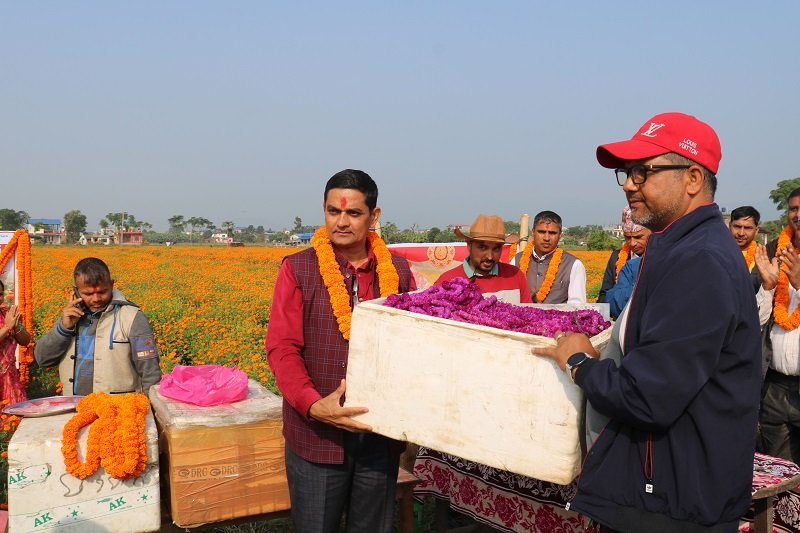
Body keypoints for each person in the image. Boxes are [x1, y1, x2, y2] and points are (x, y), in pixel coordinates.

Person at [534, 112, 761, 531]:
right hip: (665, 487)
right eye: (627, 173)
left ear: (692, 178)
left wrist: (580, 363)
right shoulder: (676, 247)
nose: (630, 185)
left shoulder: (700, 261)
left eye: (644, 171)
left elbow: (646, 396)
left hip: (673, 502)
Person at [265, 169, 416, 533]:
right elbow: (282, 347)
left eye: (353, 213)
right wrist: (313, 405)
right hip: (316, 435)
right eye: (334, 211)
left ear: (374, 216)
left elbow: (410, 344)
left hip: (378, 433)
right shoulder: (298, 268)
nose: (342, 222)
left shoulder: (397, 270)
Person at [34, 257, 162, 395]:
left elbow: (150, 372)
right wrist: (64, 329)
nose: (96, 299)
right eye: (88, 294)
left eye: (102, 292)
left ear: (112, 285)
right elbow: (43, 360)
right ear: (76, 290)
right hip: (75, 405)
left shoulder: (131, 317)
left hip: (119, 406)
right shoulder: (70, 317)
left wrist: (152, 405)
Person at [754, 188, 800, 462]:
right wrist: (768, 287)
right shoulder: (775, 251)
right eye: (794, 209)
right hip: (774, 386)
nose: (798, 215)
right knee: (777, 468)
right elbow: (754, 321)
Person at [436, 213, 531, 304]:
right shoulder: (447, 281)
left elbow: (529, 312)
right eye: (483, 247)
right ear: (469, 245)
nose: (490, 256)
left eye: (496, 249)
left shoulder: (515, 275)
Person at [514, 210, 587, 304]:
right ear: (533, 232)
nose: (546, 238)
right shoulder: (516, 261)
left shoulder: (574, 265)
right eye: (541, 232)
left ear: (560, 235)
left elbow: (577, 306)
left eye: (552, 233)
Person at [597, 206, 651, 304]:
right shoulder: (616, 256)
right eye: (628, 237)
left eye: (638, 237)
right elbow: (604, 295)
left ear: (651, 232)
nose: (632, 243)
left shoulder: (660, 256)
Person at [0, 279, 31, 404]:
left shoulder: (7, 314)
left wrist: (16, 326)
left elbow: (26, 340)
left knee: (12, 414)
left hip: (10, 377)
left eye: (0, 294)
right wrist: (7, 327)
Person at [728, 205, 761, 291]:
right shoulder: (717, 252)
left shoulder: (763, 256)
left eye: (747, 228)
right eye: (737, 226)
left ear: (756, 230)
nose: (741, 233)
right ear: (730, 226)